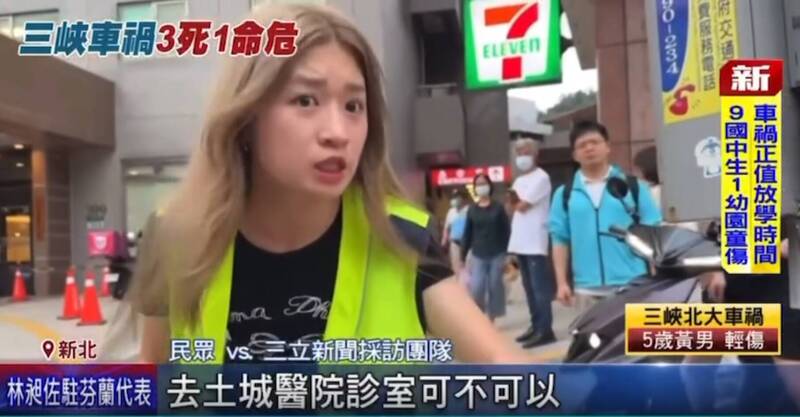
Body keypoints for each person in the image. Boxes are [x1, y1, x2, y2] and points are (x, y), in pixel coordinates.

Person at [131, 4, 531, 364]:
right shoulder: (175, 236)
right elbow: (151, 376)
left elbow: (502, 365)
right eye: (306, 100)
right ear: (246, 116)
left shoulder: (402, 238)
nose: (338, 133)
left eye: (354, 106)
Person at [549, 121, 663, 311]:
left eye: (594, 142)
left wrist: (656, 273)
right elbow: (559, 239)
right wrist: (561, 283)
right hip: (586, 288)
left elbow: (653, 231)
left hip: (633, 283)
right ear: (574, 155)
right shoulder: (564, 194)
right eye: (582, 145)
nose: (589, 148)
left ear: (607, 147)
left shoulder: (633, 187)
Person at [507, 137, 555, 348]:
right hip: (520, 241)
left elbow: (521, 206)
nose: (522, 157)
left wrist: (515, 200)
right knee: (528, 288)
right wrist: (515, 201)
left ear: (535, 155)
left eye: (526, 152)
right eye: (519, 153)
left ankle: (545, 330)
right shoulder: (519, 180)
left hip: (535, 242)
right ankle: (535, 326)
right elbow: (512, 205)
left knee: (539, 289)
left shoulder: (541, 178)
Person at [460, 173, 511, 323]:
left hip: (497, 252)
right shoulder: (472, 210)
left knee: (495, 285)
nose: (481, 186)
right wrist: (462, 255)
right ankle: (479, 314)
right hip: (478, 253)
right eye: (478, 184)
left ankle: (492, 317)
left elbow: (506, 230)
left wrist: (508, 253)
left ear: (489, 186)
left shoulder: (498, 207)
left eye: (484, 183)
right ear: (475, 188)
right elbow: (467, 233)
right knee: (477, 287)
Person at [633, 145, 699, 232]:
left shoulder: (649, 193)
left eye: (638, 170)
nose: (635, 174)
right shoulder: (677, 190)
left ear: (647, 170)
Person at [441, 188, 469, 279]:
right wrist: (444, 240)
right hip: (454, 242)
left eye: (457, 197)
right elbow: (447, 228)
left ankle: (467, 282)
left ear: (462, 198)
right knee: (455, 264)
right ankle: (458, 279)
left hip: (467, 242)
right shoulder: (451, 212)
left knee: (466, 264)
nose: (455, 200)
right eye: (453, 198)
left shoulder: (469, 210)